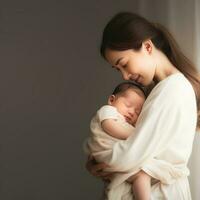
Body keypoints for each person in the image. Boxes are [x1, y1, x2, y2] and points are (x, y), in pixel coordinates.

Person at [86, 12, 200, 200]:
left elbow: (129, 155)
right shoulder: (160, 90)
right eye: (118, 69)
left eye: (124, 64)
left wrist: (100, 157)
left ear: (147, 47)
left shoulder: (172, 89)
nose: (124, 76)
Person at [84, 81, 151, 199]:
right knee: (141, 176)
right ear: (111, 100)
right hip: (107, 153)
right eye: (128, 105)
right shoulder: (108, 111)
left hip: (111, 157)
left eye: (137, 112)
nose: (131, 112)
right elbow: (110, 126)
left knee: (127, 183)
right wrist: (137, 134)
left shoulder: (127, 124)